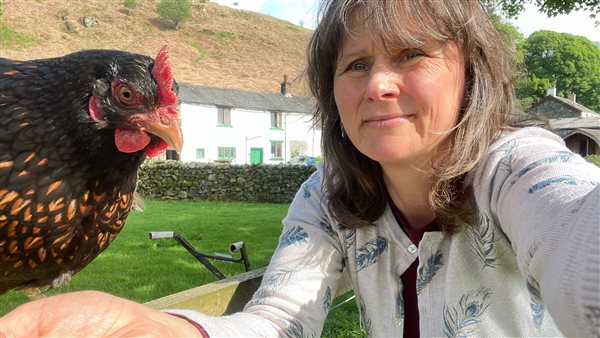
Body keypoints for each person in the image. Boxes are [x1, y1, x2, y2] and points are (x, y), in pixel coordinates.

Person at [2, 0, 599, 337]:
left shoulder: (520, 168)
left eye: (412, 55)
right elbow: (283, 319)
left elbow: (578, 238)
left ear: (471, 73)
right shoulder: (327, 197)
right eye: (356, 64)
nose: (379, 85)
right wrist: (169, 333)